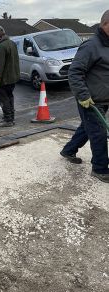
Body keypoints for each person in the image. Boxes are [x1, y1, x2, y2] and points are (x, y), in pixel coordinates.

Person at [60, 10, 109, 183]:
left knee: (87, 128)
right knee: (99, 133)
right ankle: (100, 168)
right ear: (105, 24)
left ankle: (68, 150)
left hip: (103, 98)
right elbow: (74, 72)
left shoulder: (107, 45)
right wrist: (83, 95)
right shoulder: (91, 46)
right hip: (90, 100)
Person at [0, 26, 20, 127]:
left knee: (4, 99)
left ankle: (8, 120)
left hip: (5, 79)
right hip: (13, 77)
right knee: (10, 97)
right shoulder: (12, 43)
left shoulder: (1, 47)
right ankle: (11, 117)